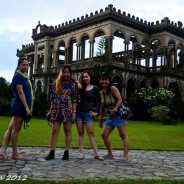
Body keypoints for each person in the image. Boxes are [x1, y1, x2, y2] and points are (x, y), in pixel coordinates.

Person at [0, 57, 33, 161]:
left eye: (27, 65)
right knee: (15, 130)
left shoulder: (24, 77)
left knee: (11, 129)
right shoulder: (18, 76)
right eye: (23, 64)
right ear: (18, 66)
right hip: (19, 107)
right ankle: (14, 152)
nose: (26, 66)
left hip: (20, 106)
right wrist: (27, 108)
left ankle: (2, 150)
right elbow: (21, 93)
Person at [45, 65, 80, 160]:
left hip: (68, 110)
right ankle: (52, 152)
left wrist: (74, 112)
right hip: (56, 109)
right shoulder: (57, 83)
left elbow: (74, 99)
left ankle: (66, 152)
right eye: (64, 72)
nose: (66, 74)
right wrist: (50, 110)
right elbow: (52, 98)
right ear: (62, 72)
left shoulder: (73, 84)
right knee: (54, 131)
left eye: (68, 72)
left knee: (67, 131)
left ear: (70, 73)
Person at [99, 73, 129, 162]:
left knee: (123, 135)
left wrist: (115, 109)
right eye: (102, 79)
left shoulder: (113, 88)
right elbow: (102, 106)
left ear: (109, 81)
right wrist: (100, 119)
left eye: (106, 79)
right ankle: (110, 153)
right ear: (100, 81)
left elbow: (120, 99)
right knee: (104, 135)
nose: (104, 81)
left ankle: (125, 156)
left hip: (119, 114)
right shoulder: (101, 93)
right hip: (110, 116)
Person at [76, 71, 104, 160]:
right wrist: (77, 83)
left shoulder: (94, 88)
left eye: (86, 76)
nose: (85, 78)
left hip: (88, 113)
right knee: (80, 133)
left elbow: (99, 101)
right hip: (79, 113)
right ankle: (81, 153)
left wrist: (96, 112)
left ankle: (96, 153)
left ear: (90, 77)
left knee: (91, 133)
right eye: (83, 77)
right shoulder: (80, 87)